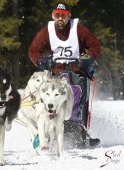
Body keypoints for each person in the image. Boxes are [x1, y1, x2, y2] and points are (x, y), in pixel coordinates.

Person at [28, 2, 100, 147]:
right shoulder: (46, 31)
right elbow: (33, 51)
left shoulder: (78, 29)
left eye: (63, 15)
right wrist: (41, 61)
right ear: (53, 16)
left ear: (69, 16)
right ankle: (46, 132)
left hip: (77, 70)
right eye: (57, 15)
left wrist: (88, 57)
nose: (60, 18)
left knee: (80, 97)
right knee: (50, 97)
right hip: (56, 71)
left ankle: (81, 131)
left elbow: (94, 45)